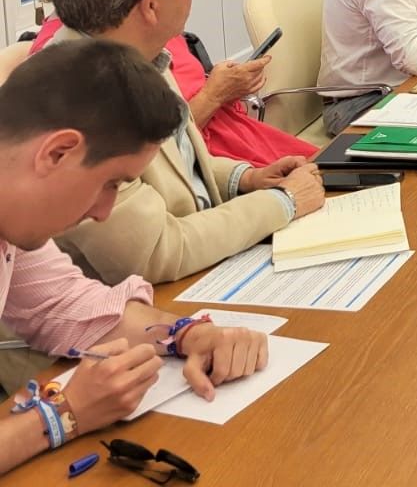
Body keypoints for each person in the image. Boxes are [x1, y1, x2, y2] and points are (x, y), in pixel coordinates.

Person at [0, 42, 273, 473]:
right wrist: (62, 415)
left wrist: (184, 334)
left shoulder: (15, 221)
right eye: (109, 183)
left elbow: (65, 305)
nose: (104, 211)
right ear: (57, 152)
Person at [38, 0, 325, 285]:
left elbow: (177, 165)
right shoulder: (74, 111)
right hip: (146, 303)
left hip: (202, 266)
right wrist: (282, 202)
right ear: (151, 6)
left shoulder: (139, 53)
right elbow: (156, 254)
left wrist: (246, 178)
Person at [29, 0, 314, 167]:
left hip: (233, 155)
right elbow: (158, 158)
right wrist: (214, 94)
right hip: (209, 162)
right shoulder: (78, 68)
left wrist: (222, 86)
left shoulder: (141, 30)